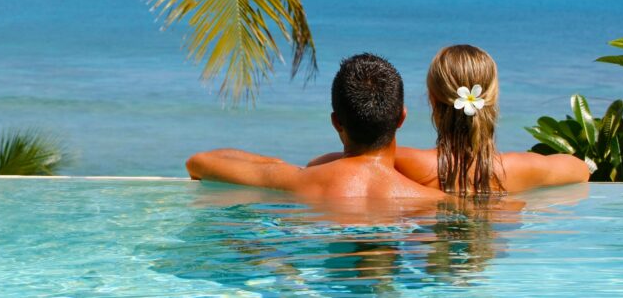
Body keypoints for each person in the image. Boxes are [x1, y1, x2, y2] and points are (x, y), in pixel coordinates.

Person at [310, 45, 590, 194]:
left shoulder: (411, 163)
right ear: (492, 98)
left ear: (433, 100)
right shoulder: (519, 169)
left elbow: (348, 164)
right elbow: (580, 170)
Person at [185, 53, 446, 201]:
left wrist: (274, 166)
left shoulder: (300, 182)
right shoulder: (436, 203)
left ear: (336, 122)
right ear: (401, 118)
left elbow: (199, 162)